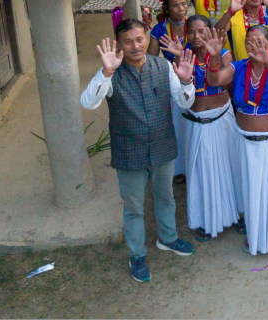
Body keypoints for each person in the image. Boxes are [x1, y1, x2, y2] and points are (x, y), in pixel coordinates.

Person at [80, 20, 196, 283]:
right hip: (129, 152)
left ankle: (168, 239)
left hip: (163, 146)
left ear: (146, 38)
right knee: (133, 208)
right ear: (118, 44)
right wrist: (106, 73)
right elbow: (88, 103)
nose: (135, 46)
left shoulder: (163, 65)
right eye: (128, 41)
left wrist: (187, 82)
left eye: (139, 39)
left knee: (165, 198)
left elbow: (184, 102)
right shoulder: (111, 73)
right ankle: (137, 254)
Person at [203, 24, 268, 255]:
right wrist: (214, 57)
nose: (254, 46)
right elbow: (215, 81)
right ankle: (256, 236)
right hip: (246, 140)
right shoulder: (237, 67)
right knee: (253, 189)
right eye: (249, 41)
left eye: (259, 41)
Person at [180, 15, 238, 242]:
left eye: (201, 31)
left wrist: (214, 56)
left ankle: (239, 213)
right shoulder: (183, 56)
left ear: (210, 31)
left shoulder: (224, 54)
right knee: (202, 172)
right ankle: (206, 220)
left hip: (223, 118)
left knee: (231, 164)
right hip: (196, 121)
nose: (196, 37)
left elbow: (227, 82)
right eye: (191, 32)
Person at [147, 0, 191, 182]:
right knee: (177, 125)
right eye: (175, 5)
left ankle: (194, 164)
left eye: (184, 4)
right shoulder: (160, 30)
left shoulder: (193, 25)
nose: (181, 9)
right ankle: (179, 169)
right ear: (166, 8)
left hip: (195, 79)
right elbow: (151, 58)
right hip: (173, 83)